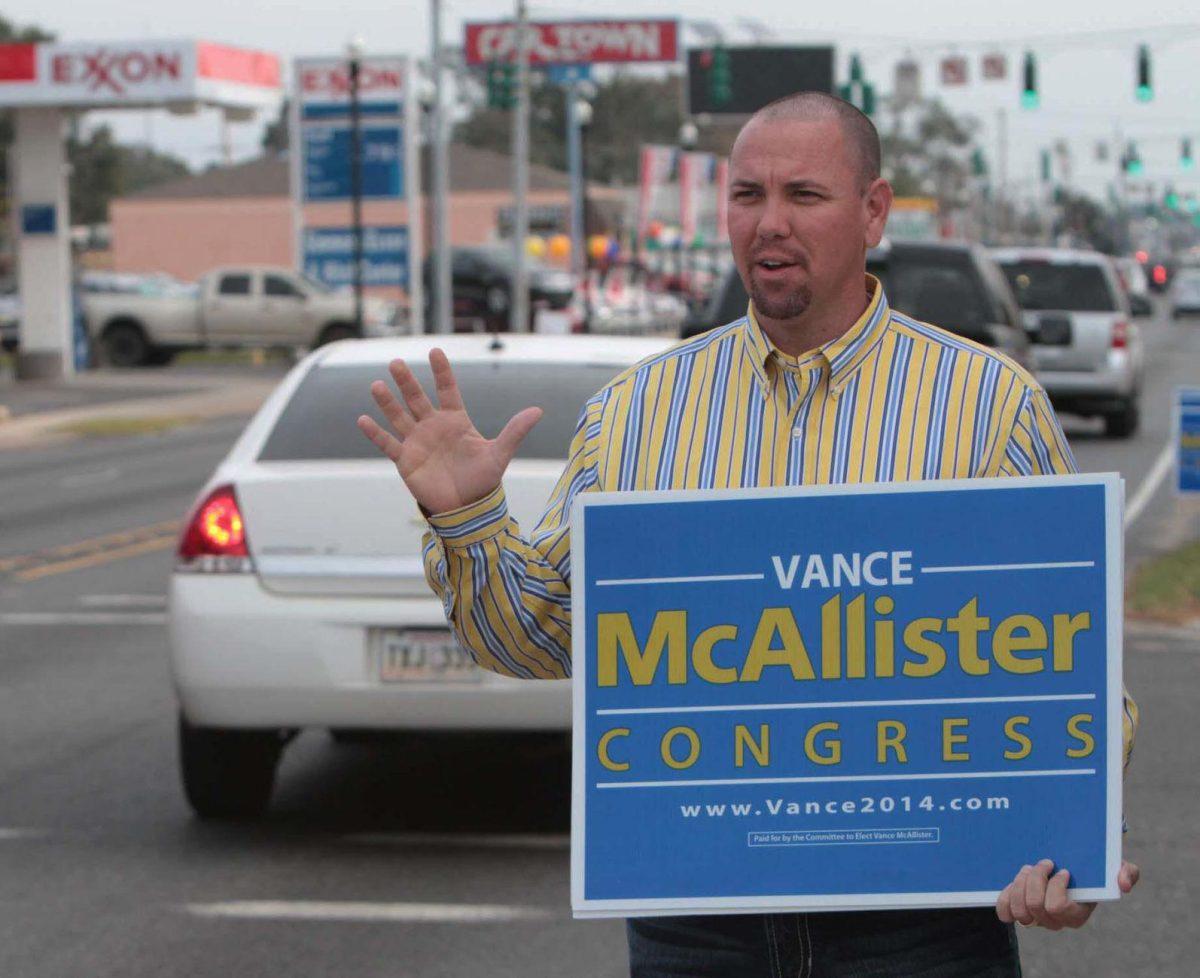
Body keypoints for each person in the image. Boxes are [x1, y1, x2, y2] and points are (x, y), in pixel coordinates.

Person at [357, 91, 1140, 977]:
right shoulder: (639, 413)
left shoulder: (987, 407)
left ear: (873, 210)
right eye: (747, 196)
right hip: (698, 927)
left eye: (804, 196)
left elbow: (1067, 666)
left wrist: (1078, 841)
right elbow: (542, 637)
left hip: (920, 925)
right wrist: (466, 518)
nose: (770, 224)